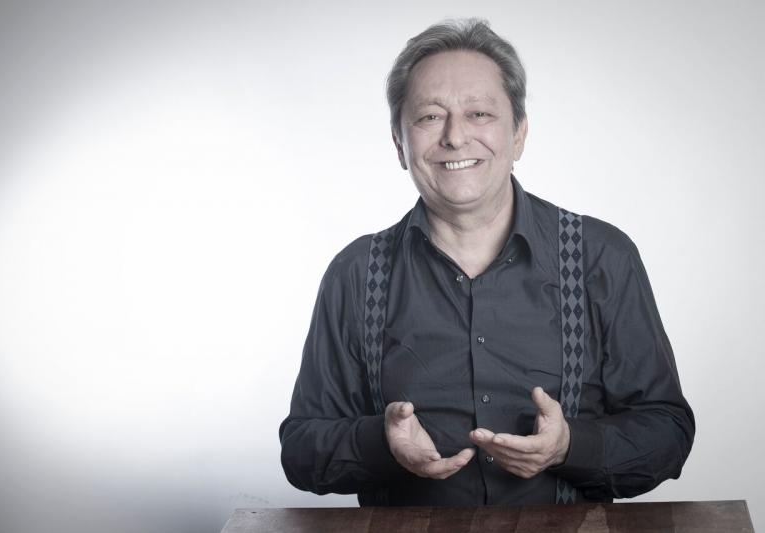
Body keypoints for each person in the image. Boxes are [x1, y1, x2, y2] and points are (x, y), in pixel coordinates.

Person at [279, 18, 694, 506]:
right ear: (399, 143)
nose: (455, 137)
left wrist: (569, 446)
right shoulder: (354, 273)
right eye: (429, 117)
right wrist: (381, 443)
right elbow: (302, 451)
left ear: (518, 134)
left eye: (479, 113)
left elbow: (667, 434)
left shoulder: (602, 257)